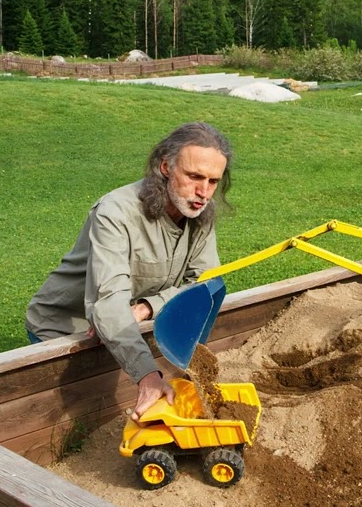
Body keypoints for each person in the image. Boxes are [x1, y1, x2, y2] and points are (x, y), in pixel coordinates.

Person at [25, 121, 234, 421]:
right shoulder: (115, 213)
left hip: (124, 326)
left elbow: (205, 285)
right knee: (71, 424)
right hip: (66, 330)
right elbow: (108, 305)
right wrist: (148, 376)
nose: (204, 192)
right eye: (194, 176)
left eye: (213, 181)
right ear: (165, 167)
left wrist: (149, 306)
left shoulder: (201, 215)